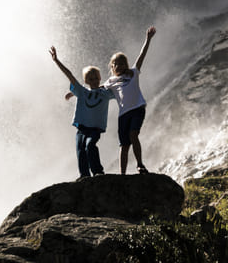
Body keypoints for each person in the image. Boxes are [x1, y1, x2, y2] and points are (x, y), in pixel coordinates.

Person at [49, 45, 112, 179]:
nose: (94, 81)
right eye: (90, 79)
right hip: (82, 128)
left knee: (90, 145)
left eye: (96, 78)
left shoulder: (105, 93)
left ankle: (97, 172)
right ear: (85, 81)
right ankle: (84, 175)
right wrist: (56, 60)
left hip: (95, 128)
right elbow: (70, 75)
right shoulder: (82, 92)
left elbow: (117, 85)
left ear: (100, 78)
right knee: (80, 150)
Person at [106, 26, 156, 174]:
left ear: (126, 65)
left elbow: (142, 56)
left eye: (122, 63)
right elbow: (96, 89)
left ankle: (140, 164)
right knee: (124, 145)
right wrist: (76, 93)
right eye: (117, 64)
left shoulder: (133, 73)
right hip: (123, 114)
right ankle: (122, 173)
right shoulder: (111, 81)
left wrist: (147, 40)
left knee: (133, 134)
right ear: (112, 67)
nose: (120, 66)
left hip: (137, 109)